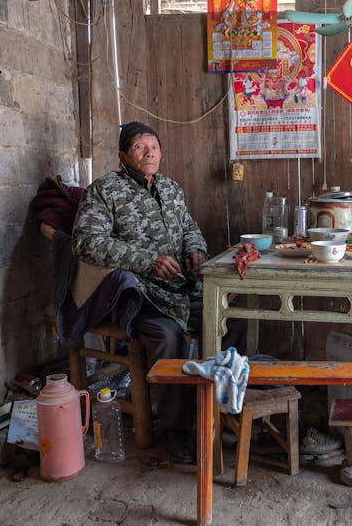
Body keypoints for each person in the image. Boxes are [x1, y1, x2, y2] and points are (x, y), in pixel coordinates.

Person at [72, 121, 246, 463]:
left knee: (233, 317)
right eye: (140, 147)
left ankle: (223, 408)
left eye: (154, 146)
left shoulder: (170, 188)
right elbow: (86, 243)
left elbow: (189, 228)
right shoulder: (105, 190)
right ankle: (177, 430)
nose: (149, 152)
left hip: (180, 286)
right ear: (123, 155)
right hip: (138, 292)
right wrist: (147, 260)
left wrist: (196, 249)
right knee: (170, 336)